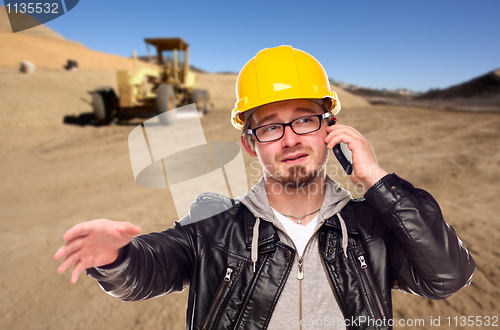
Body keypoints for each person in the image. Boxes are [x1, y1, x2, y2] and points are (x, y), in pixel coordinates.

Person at [54, 45, 476, 330]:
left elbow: (448, 275)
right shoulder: (214, 228)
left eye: (305, 119)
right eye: (271, 127)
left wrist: (378, 180)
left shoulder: (371, 228)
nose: (290, 138)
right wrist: (116, 258)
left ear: (330, 129)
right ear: (250, 145)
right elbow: (148, 270)